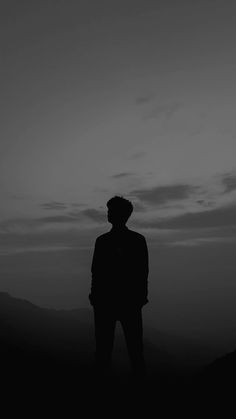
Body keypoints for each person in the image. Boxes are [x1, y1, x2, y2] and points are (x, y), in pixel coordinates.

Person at [89, 195, 149, 379]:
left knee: (113, 349)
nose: (108, 213)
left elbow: (142, 272)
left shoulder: (105, 241)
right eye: (109, 210)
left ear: (121, 214)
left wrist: (96, 297)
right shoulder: (135, 240)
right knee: (126, 349)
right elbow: (97, 272)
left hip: (117, 302)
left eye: (111, 210)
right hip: (116, 302)